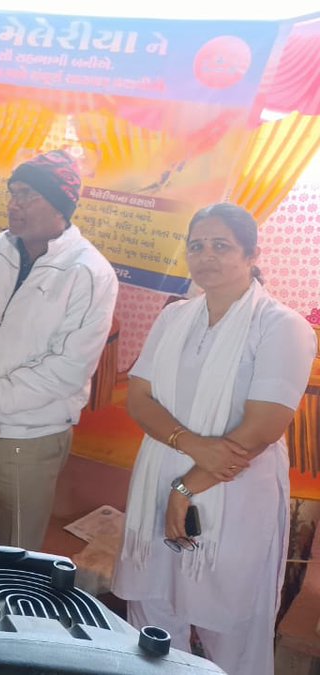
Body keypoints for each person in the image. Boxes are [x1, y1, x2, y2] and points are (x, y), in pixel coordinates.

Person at [113, 203, 316, 675]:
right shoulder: (174, 318)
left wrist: (185, 489)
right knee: (154, 613)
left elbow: (263, 426)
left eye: (221, 245)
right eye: (197, 245)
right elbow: (139, 397)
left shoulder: (282, 326)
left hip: (232, 491)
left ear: (251, 254)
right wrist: (190, 445)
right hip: (162, 477)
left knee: (230, 625)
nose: (206, 256)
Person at [0, 149, 118, 550]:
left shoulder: (89, 272)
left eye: (28, 194)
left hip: (29, 438)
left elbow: (69, 366)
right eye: (13, 192)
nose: (14, 204)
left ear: (60, 204)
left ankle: (2, 616)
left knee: (13, 556)